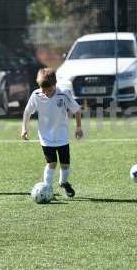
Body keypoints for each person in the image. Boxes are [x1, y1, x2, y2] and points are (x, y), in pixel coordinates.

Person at [21, 68, 83, 198]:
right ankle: (47, 188)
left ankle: (64, 183)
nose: (46, 93)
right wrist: (24, 128)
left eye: (49, 90)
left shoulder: (64, 94)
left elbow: (76, 110)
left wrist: (78, 128)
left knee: (65, 164)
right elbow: (27, 112)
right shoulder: (36, 95)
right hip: (45, 136)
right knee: (52, 163)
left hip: (62, 135)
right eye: (44, 90)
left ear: (55, 84)